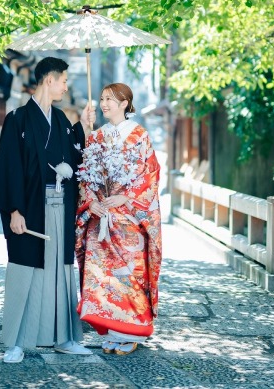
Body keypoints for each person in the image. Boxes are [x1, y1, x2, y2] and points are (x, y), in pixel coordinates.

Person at [0, 56, 96, 364]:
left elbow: (75, 156)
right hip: (30, 208)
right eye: (63, 80)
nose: (65, 86)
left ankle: (64, 338)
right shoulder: (17, 119)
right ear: (49, 80)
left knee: (60, 271)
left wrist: (83, 126)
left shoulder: (59, 120)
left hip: (60, 206)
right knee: (24, 271)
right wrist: (15, 211)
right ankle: (16, 343)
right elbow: (10, 167)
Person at [75, 83, 162, 356]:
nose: (104, 104)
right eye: (101, 99)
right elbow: (85, 177)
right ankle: (113, 331)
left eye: (110, 99)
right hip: (101, 216)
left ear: (125, 103)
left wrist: (125, 198)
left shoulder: (139, 136)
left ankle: (131, 331)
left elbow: (150, 175)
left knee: (128, 276)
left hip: (128, 218)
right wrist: (94, 202)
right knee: (103, 277)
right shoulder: (95, 137)